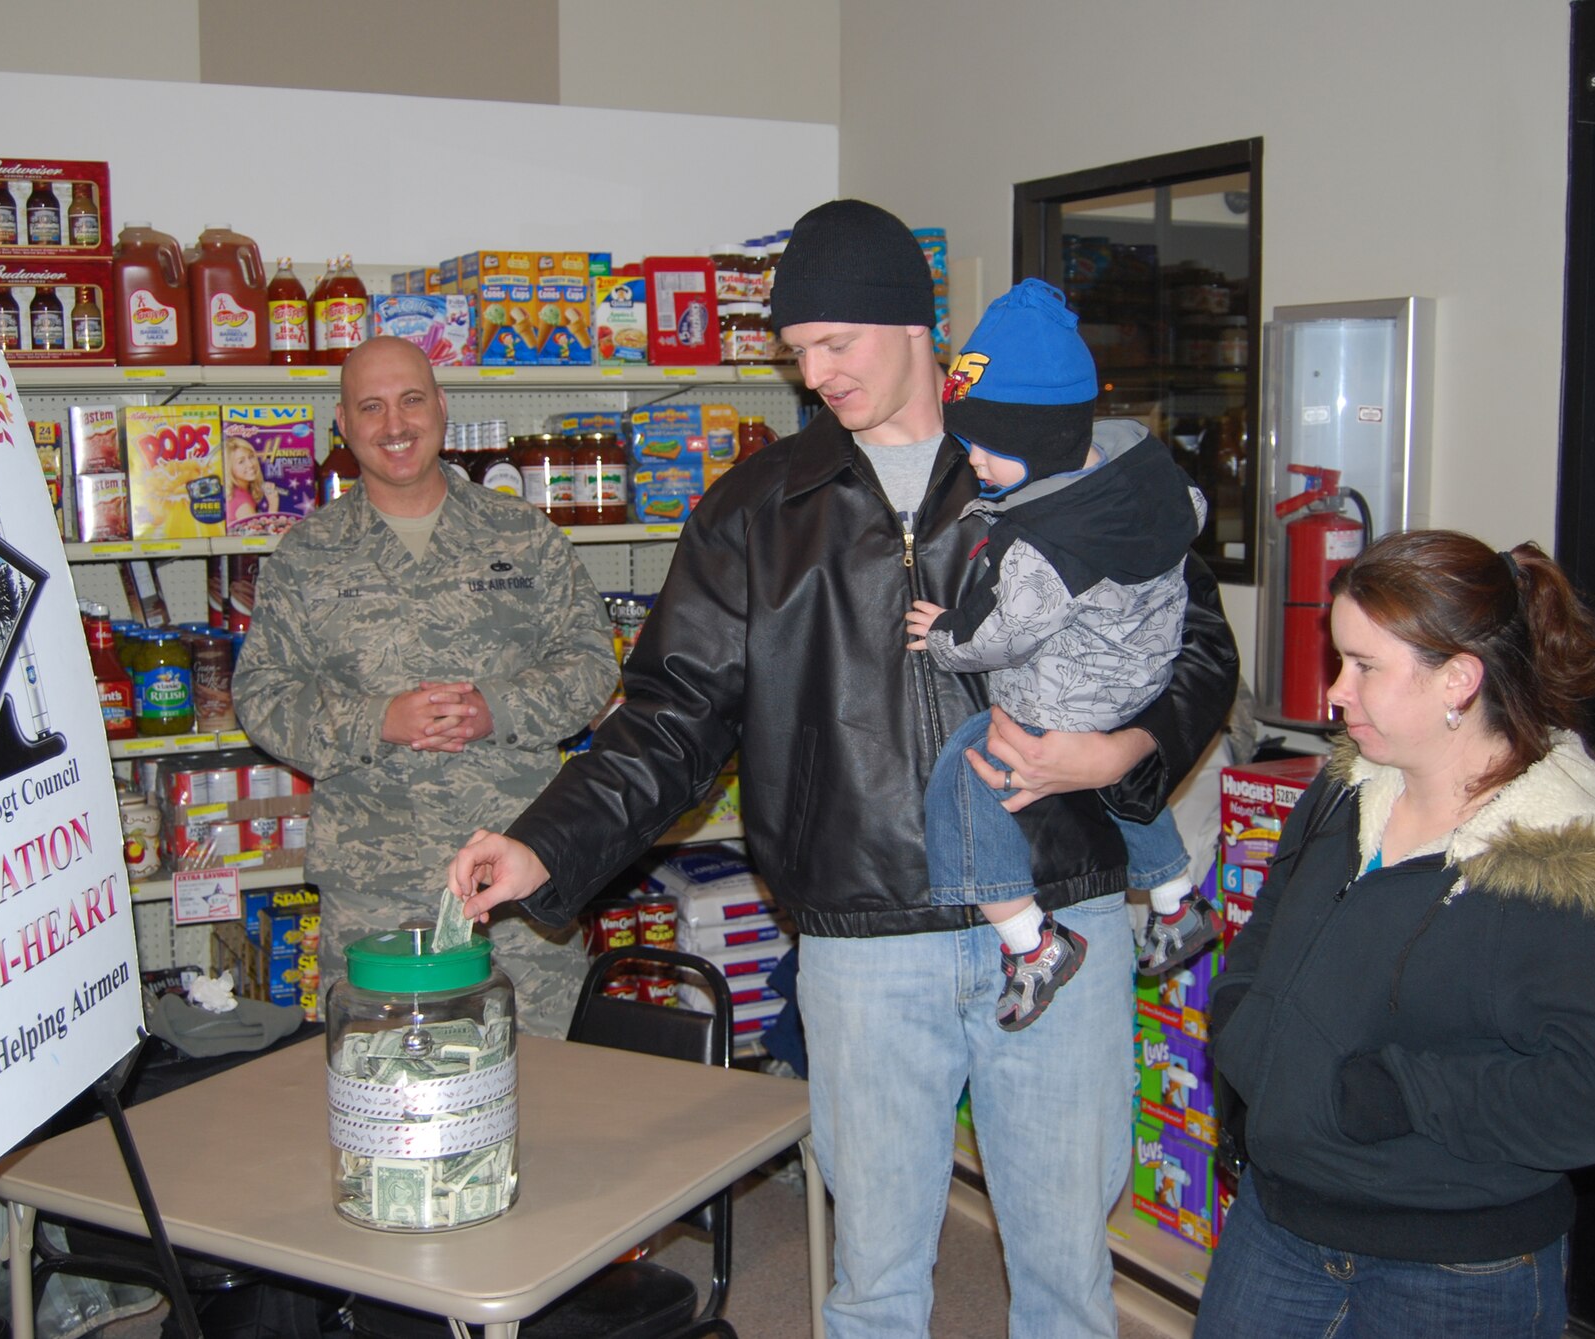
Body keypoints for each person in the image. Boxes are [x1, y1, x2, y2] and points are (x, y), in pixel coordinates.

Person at [449, 199, 1239, 1338]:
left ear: (916, 325)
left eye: (834, 343)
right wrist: (544, 841)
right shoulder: (756, 509)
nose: (813, 375)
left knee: (1067, 1272)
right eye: (795, 352)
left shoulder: (1065, 460)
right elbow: (671, 714)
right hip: (862, 941)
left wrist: (1125, 749)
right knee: (873, 1283)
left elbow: (1195, 643)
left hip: (1061, 908)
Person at [1200, 530, 1595, 1339]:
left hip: (1454, 1272)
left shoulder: (1557, 862)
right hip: (1278, 1222)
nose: (1336, 691)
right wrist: (1242, 1026)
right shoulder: (1347, 790)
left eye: (1364, 666)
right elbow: (1266, 935)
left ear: (1460, 679)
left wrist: (1404, 1094)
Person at [233, 336, 618, 1037]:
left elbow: (593, 661)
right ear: (342, 424)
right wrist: (375, 720)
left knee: (547, 1077)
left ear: (441, 407)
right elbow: (261, 693)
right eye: (371, 407)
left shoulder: (523, 535)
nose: (395, 424)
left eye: (411, 400)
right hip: (372, 888)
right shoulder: (306, 555)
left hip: (517, 873)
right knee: (382, 1076)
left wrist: (496, 708)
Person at [905, 279, 1216, 1031]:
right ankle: (1176, 900)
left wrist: (943, 635)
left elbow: (1002, 634)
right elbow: (1194, 513)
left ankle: (1032, 942)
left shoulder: (1047, 543)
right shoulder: (1149, 481)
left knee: (962, 782)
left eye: (990, 448)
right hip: (1142, 680)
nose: (974, 460)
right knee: (1121, 781)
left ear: (1043, 443)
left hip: (1063, 696)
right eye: (967, 443)